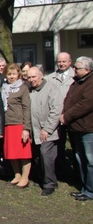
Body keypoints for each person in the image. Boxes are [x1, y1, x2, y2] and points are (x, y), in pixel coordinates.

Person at [60, 56, 93, 201]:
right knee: (80, 159)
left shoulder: (90, 83)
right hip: (76, 128)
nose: (74, 69)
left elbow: (85, 104)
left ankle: (90, 190)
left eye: (77, 68)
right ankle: (85, 187)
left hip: (88, 128)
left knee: (90, 160)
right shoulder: (77, 82)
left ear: (87, 70)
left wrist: (67, 115)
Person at [27, 66, 63, 196]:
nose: (31, 79)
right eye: (29, 77)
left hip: (47, 130)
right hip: (35, 130)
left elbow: (56, 110)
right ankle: (43, 178)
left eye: (34, 77)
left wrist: (47, 129)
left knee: (46, 156)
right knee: (38, 157)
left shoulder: (52, 89)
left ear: (41, 76)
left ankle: (49, 184)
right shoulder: (29, 90)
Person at [2, 63, 32, 189]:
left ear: (18, 74)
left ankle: (25, 177)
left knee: (23, 152)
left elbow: (26, 108)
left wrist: (26, 128)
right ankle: (17, 174)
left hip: (19, 123)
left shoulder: (22, 88)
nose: (12, 76)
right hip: (8, 124)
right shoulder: (3, 88)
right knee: (12, 152)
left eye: (14, 74)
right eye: (9, 74)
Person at [46, 52, 75, 180]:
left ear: (70, 62)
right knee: (59, 146)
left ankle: (76, 172)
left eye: (64, 61)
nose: (61, 64)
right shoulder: (50, 78)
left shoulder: (76, 77)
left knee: (75, 146)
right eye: (59, 61)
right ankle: (61, 172)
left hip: (73, 117)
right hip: (56, 118)